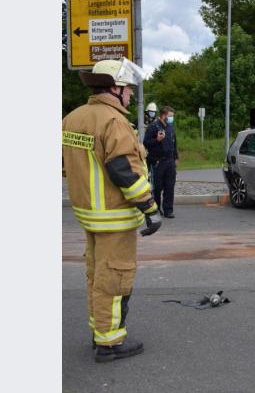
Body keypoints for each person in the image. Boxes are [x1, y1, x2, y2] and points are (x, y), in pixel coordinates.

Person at [62, 59, 162, 362]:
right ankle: (110, 344)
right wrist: (149, 207)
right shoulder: (114, 122)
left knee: (97, 277)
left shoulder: (73, 118)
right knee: (116, 279)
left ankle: (99, 332)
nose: (131, 94)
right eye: (127, 88)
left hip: (89, 215)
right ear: (115, 88)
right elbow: (124, 172)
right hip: (114, 218)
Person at [144, 106, 179, 218]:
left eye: (172, 117)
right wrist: (157, 140)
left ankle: (168, 210)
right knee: (157, 187)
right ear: (163, 115)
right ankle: (156, 208)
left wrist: (176, 157)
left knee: (170, 186)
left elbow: (174, 143)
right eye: (170, 116)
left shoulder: (170, 127)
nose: (171, 119)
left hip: (170, 161)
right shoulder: (153, 127)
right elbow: (146, 143)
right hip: (158, 162)